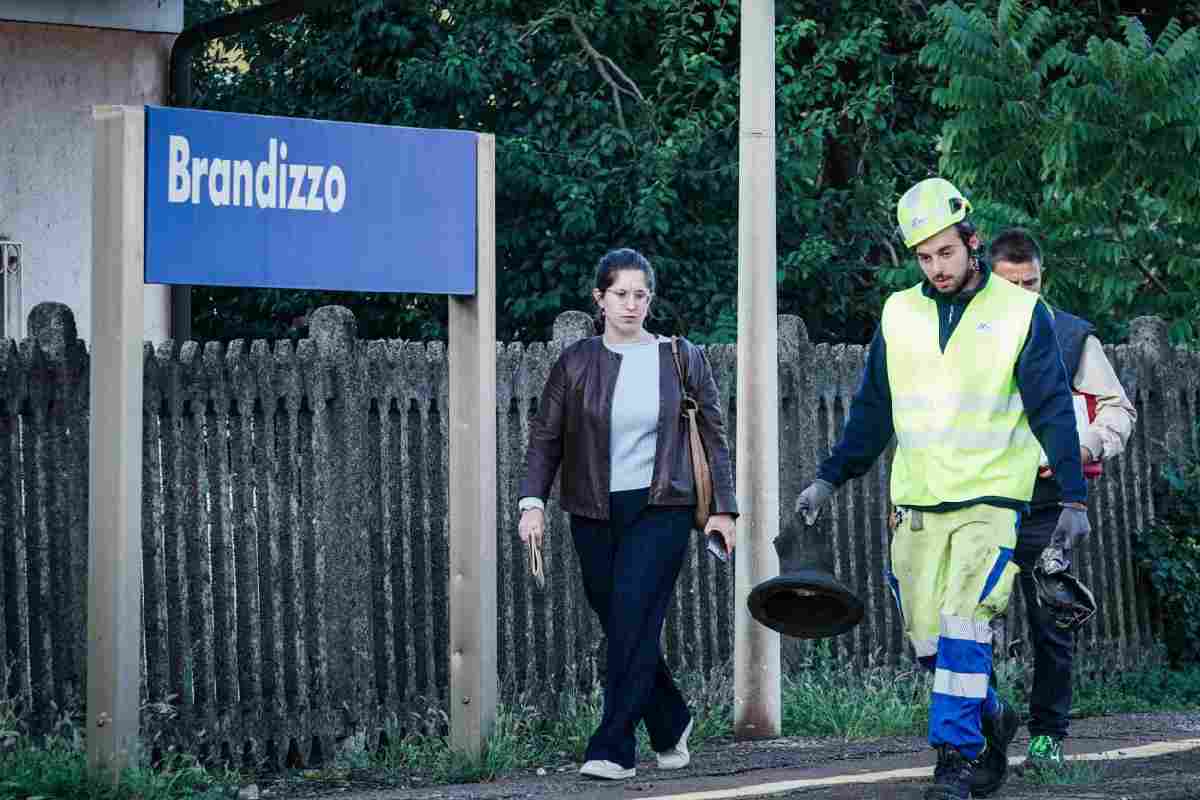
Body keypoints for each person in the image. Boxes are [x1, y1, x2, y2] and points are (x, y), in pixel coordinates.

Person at [793, 178, 1089, 800]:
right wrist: (830, 476)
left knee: (963, 625)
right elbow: (874, 407)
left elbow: (1053, 409)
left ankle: (955, 760)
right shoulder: (900, 313)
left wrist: (1072, 497)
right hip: (918, 505)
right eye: (924, 257)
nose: (936, 268)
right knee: (929, 644)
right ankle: (993, 716)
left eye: (946, 253)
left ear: (971, 241)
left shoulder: (1020, 313)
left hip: (991, 503)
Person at [517, 248, 738, 781]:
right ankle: (669, 718)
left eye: (641, 294)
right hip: (592, 509)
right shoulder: (575, 362)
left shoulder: (681, 357)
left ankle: (613, 744)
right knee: (621, 623)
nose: (632, 304)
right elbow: (547, 437)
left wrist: (724, 511)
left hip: (663, 504)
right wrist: (532, 502)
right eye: (621, 294)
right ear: (600, 299)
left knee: (635, 616)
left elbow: (713, 437)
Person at [990, 228, 1136, 771]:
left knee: (1051, 620)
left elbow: (1118, 409)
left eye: (1032, 283)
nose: (1024, 294)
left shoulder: (1072, 337)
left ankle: (1048, 735)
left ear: (1042, 277)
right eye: (1011, 285)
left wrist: (1083, 442)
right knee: (966, 619)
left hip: (1051, 498)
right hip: (985, 495)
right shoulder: (969, 339)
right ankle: (985, 721)